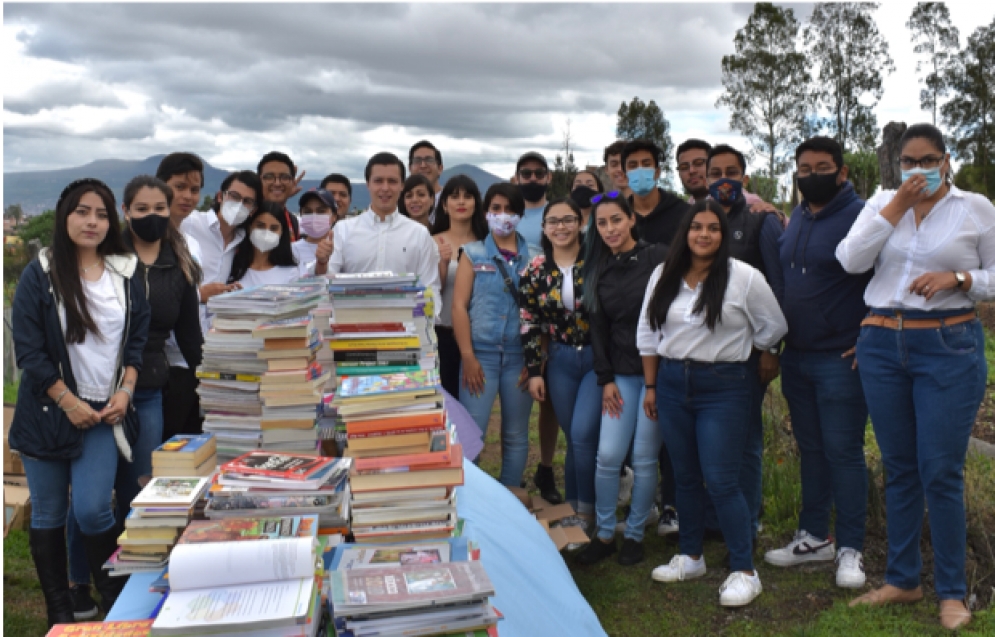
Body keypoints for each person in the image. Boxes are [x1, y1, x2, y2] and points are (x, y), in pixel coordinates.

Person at [837, 123, 995, 630]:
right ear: (897, 164)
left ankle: (951, 592)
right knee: (900, 466)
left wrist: (961, 278)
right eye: (908, 161)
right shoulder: (883, 203)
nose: (917, 170)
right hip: (882, 343)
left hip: (948, 344)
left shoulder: (976, 208)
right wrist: (895, 208)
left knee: (940, 470)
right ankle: (902, 580)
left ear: (947, 160)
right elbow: (850, 260)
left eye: (928, 160)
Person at [10, 178, 150, 626]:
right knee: (49, 510)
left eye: (102, 213)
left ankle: (115, 603)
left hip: (103, 413)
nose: (92, 221)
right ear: (64, 215)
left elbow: (137, 343)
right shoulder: (42, 271)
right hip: (51, 410)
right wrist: (67, 400)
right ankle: (60, 613)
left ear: (113, 221)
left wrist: (126, 391)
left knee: (92, 509)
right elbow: (29, 349)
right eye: (82, 211)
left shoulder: (126, 272)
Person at [640, 200, 787, 607]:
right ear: (684, 232)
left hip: (724, 385)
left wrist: (755, 352)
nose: (704, 235)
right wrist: (651, 387)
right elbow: (648, 333)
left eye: (714, 228)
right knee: (684, 476)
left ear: (723, 235)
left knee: (722, 479)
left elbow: (774, 325)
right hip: (671, 382)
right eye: (697, 227)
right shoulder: (663, 275)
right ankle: (690, 556)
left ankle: (744, 570)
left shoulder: (744, 277)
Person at [763, 137, 872, 589]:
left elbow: (888, 277)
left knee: (844, 452)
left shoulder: (865, 217)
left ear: (842, 172)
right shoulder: (798, 219)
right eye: (804, 169)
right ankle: (813, 537)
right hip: (799, 356)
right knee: (811, 450)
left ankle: (850, 548)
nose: (812, 176)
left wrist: (871, 334)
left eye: (822, 167)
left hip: (841, 356)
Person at [575, 193, 667, 567]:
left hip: (658, 376)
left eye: (616, 219)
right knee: (608, 455)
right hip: (620, 377)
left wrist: (656, 384)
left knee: (645, 458)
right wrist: (605, 378)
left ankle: (633, 535)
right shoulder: (597, 270)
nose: (610, 229)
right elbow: (597, 328)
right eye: (602, 223)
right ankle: (603, 534)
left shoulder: (658, 257)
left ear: (631, 219)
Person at [705, 143, 785, 539]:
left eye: (732, 172)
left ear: (744, 178)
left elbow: (777, 286)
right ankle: (713, 520)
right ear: (704, 179)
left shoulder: (759, 221)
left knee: (747, 443)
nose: (724, 180)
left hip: (749, 354)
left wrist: (770, 350)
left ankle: (748, 522)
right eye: (715, 172)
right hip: (704, 354)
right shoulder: (696, 220)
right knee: (709, 445)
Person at [519, 198, 600, 532]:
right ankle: (575, 507)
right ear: (544, 228)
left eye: (568, 219)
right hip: (562, 359)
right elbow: (529, 323)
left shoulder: (597, 261)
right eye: (553, 221)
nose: (561, 227)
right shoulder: (534, 270)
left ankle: (591, 510)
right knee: (572, 436)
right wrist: (535, 371)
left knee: (582, 434)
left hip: (597, 356)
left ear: (579, 223)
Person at [451, 182, 538, 487]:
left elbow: (543, 315)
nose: (503, 216)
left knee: (515, 434)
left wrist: (536, 360)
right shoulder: (472, 254)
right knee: (472, 433)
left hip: (520, 357)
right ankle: (471, 500)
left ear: (520, 214)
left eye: (510, 209)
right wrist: (468, 356)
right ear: (486, 212)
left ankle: (511, 494)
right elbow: (459, 307)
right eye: (496, 209)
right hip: (480, 356)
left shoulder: (536, 258)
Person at [328, 152, 441, 318]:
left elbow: (430, 288)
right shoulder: (343, 230)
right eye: (378, 181)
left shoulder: (419, 234)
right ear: (368, 184)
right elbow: (329, 282)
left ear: (402, 185)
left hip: (405, 332)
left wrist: (424, 326)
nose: (385, 188)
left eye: (392, 181)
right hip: (351, 331)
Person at [512, 151, 562, 502]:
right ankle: (506, 482)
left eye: (538, 173)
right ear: (516, 178)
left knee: (550, 404)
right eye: (525, 173)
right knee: (514, 412)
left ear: (548, 177)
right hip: (506, 322)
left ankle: (546, 468)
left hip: (549, 324)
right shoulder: (506, 215)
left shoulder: (557, 216)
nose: (532, 178)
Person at [155, 153, 208, 442]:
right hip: (160, 367)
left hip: (191, 364)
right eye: (179, 186)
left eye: (195, 189)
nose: (187, 196)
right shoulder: (145, 240)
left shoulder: (192, 244)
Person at [430, 174, 486, 399]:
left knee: (474, 408)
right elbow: (431, 293)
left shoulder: (487, 243)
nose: (461, 202)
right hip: (443, 334)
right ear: (444, 205)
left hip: (480, 337)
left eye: (468, 196)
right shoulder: (433, 242)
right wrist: (442, 264)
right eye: (454, 197)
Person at [181, 170, 260, 330]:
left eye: (247, 201)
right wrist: (199, 294)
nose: (239, 205)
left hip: (212, 335)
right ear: (220, 197)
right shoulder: (190, 223)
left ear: (253, 210)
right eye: (234, 196)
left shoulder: (243, 240)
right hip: (177, 335)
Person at [622, 139, 691, 246]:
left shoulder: (684, 213)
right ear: (625, 175)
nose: (640, 170)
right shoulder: (619, 215)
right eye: (633, 166)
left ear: (657, 172)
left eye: (646, 164)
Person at [228, 202, 310, 287]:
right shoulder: (232, 266)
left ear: (281, 232)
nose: (266, 232)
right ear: (249, 227)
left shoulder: (290, 273)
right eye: (260, 226)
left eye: (273, 228)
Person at [257, 151, 304, 240]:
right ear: (259, 180)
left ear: (292, 182)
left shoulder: (293, 222)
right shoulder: (247, 218)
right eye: (269, 177)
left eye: (285, 177)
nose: (277, 183)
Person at [293, 188, 337, 276]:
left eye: (321, 211)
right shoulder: (292, 251)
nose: (314, 216)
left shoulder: (341, 248)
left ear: (333, 216)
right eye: (307, 212)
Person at [409, 140, 444, 220]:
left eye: (429, 160)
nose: (423, 165)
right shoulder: (401, 202)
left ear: (440, 168)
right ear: (410, 169)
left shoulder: (451, 199)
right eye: (417, 161)